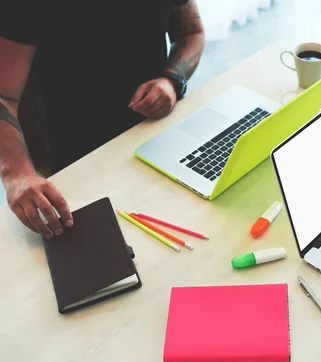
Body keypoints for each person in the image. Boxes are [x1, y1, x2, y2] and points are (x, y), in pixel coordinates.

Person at [0, 1, 204, 239]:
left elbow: (192, 32)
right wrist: (15, 173)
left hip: (159, 134)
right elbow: (4, 97)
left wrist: (172, 79)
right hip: (82, 156)